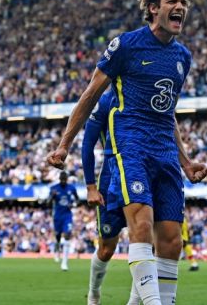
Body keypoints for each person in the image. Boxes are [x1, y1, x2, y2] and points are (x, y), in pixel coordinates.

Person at [47, 0, 207, 305]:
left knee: (171, 240)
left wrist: (186, 161)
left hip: (164, 149)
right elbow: (90, 95)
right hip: (130, 145)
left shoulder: (183, 58)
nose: (180, 7)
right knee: (141, 224)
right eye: (172, 2)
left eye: (184, 3)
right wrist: (64, 144)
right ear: (152, 8)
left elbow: (169, 114)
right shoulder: (126, 45)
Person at [83, 90, 140, 305]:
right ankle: (93, 294)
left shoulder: (143, 93)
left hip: (142, 171)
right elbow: (88, 142)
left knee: (144, 239)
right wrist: (90, 186)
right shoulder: (106, 101)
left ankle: (134, 301)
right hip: (111, 177)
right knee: (106, 249)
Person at [49, 171, 79, 271]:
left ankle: (64, 263)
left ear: (66, 179)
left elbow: (78, 199)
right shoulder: (54, 188)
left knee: (67, 234)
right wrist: (52, 196)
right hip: (57, 216)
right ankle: (57, 249)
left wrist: (74, 204)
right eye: (61, 180)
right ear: (59, 179)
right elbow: (47, 201)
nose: (63, 182)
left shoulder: (71, 188)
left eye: (64, 180)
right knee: (57, 235)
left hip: (67, 215)